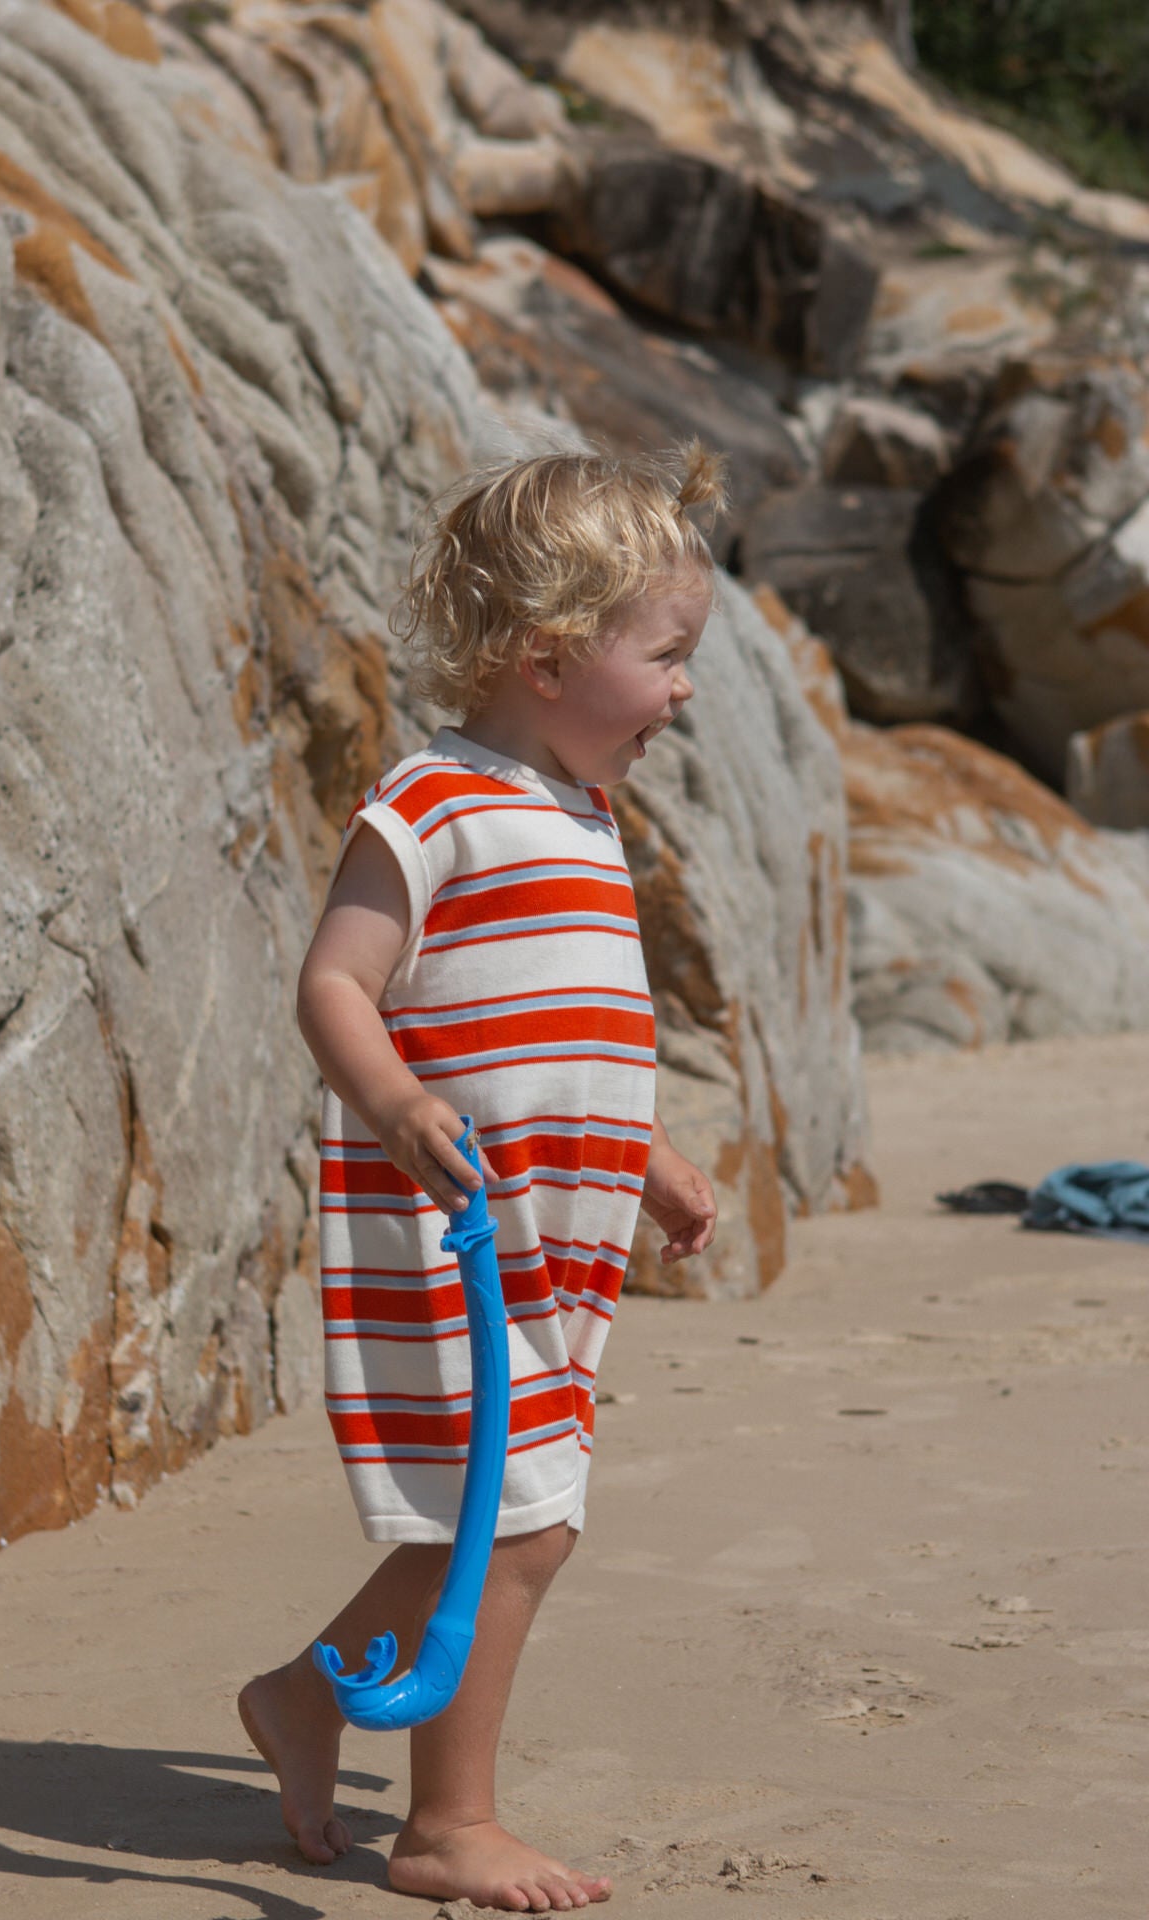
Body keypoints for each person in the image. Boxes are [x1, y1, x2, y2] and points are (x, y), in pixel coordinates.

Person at [239, 445, 722, 1913]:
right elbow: (339, 983)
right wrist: (388, 1097)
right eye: (667, 656)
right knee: (524, 1521)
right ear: (548, 656)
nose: (685, 691)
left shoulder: (583, 819)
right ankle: (447, 1825)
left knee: (504, 1516)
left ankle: (309, 1697)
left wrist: (643, 1155)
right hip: (446, 1230)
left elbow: (559, 1040)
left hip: (555, 1243)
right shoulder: (436, 802)